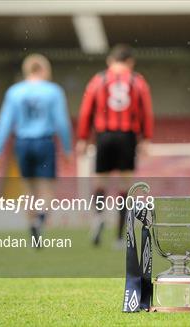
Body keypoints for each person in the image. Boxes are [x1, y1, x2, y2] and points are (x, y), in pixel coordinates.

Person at [0, 54, 73, 248]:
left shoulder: (14, 92)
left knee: (28, 189)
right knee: (46, 188)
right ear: (44, 70)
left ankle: (32, 226)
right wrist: (67, 148)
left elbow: (5, 122)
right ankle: (41, 220)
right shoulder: (53, 91)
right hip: (44, 142)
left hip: (23, 142)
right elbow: (61, 121)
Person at [76, 44, 154, 248]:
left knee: (100, 182)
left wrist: (83, 138)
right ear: (130, 62)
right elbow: (146, 111)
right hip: (127, 136)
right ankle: (120, 236)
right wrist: (146, 138)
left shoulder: (98, 80)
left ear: (111, 61)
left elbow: (86, 110)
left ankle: (98, 217)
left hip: (104, 135)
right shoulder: (137, 81)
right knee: (125, 186)